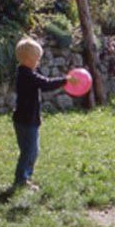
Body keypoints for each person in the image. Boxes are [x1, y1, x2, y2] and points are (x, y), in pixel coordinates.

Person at [12, 37, 75, 190]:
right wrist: (65, 80)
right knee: (29, 152)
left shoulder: (25, 73)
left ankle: (25, 177)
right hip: (26, 121)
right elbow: (45, 84)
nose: (38, 62)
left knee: (32, 151)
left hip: (28, 120)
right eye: (37, 58)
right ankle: (21, 180)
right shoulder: (26, 75)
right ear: (28, 59)